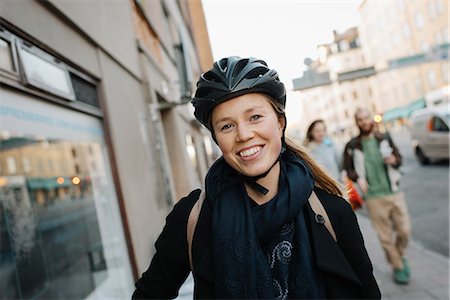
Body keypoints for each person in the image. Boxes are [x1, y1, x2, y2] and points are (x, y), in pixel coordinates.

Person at [132, 56, 381, 299]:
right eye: (227, 126)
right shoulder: (192, 217)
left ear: (280, 123)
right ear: (217, 139)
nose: (244, 134)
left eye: (255, 117)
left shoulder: (331, 211)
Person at [343, 107, 411, 285]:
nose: (364, 122)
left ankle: (398, 256)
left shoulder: (385, 138)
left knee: (405, 231)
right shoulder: (352, 145)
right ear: (357, 123)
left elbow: (399, 158)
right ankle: (398, 267)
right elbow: (348, 168)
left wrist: (394, 161)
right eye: (360, 119)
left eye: (366, 118)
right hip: (373, 196)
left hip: (393, 191)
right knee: (385, 237)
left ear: (371, 118)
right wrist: (358, 178)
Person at [303, 119, 343, 184]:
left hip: (337, 183)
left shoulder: (331, 145)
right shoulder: (308, 150)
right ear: (311, 132)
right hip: (321, 186)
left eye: (323, 130)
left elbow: (340, 164)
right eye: (317, 131)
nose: (321, 133)